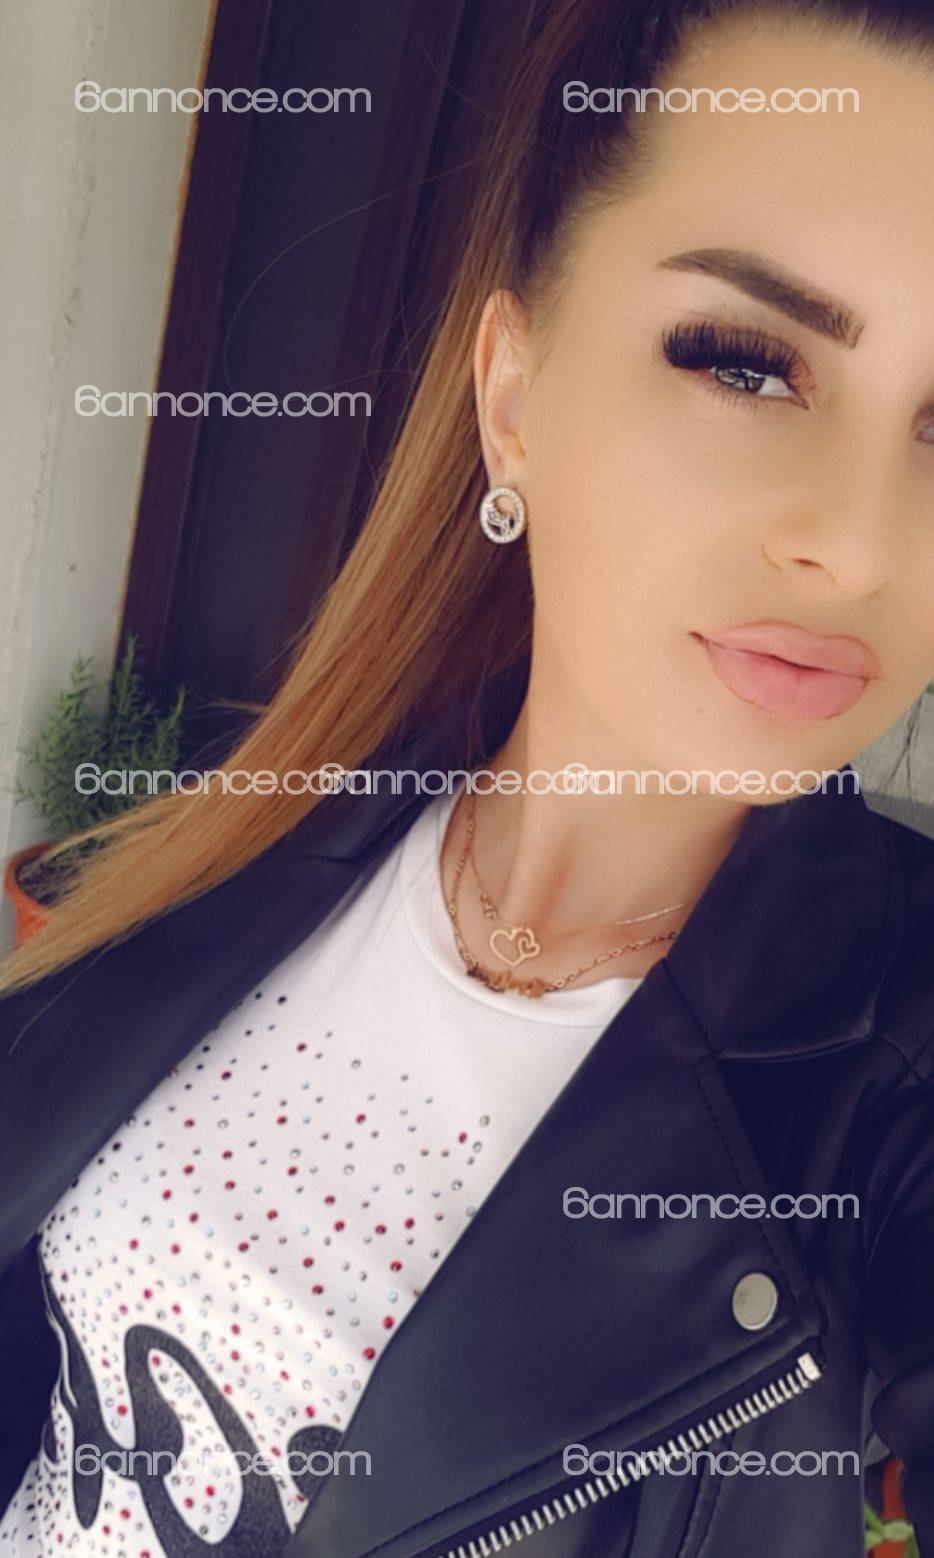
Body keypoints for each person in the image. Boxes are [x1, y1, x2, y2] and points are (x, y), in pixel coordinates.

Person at [2, 0, 934, 1553]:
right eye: (744, 363)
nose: (858, 544)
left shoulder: (886, 1090)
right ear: (511, 400)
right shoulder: (277, 819)